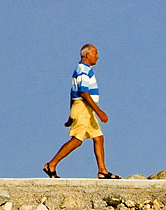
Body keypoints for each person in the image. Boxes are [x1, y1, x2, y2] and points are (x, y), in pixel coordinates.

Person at [43, 44, 121, 179]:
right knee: (77, 140)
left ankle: (102, 170)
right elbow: (84, 93)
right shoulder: (83, 70)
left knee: (98, 137)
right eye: (95, 53)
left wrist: (70, 115)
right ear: (87, 55)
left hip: (85, 109)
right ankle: (51, 164)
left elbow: (72, 92)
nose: (98, 57)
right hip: (84, 108)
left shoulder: (83, 69)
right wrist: (99, 111)